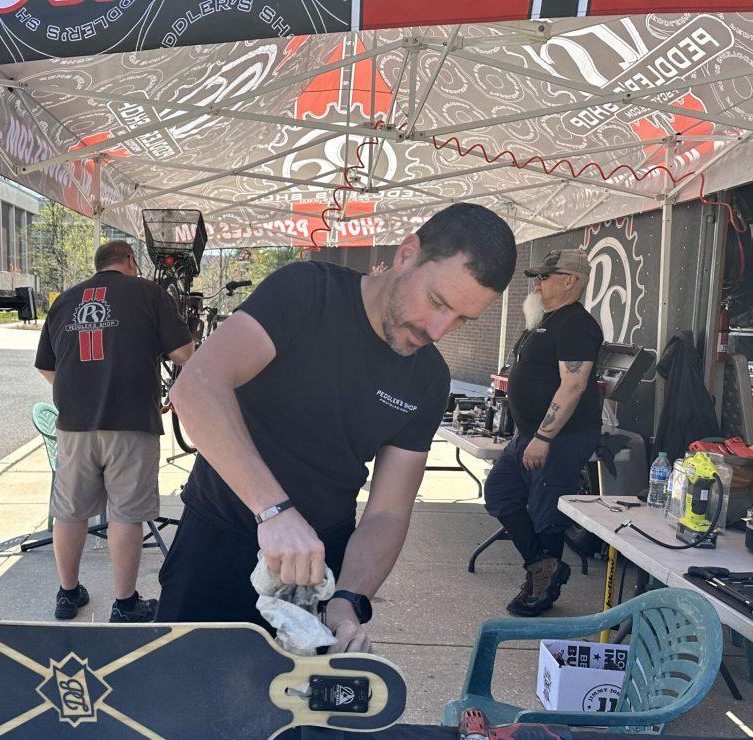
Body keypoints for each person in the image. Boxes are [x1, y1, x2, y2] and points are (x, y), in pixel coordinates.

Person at [160, 203, 516, 653]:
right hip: (218, 539)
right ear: (408, 254)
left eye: (463, 318)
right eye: (438, 302)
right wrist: (274, 512)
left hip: (320, 568)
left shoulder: (428, 379)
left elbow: (388, 511)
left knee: (298, 717)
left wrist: (349, 598)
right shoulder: (308, 292)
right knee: (182, 702)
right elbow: (197, 387)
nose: (440, 330)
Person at [35, 240, 195, 622]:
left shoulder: (66, 299)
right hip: (131, 421)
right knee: (126, 514)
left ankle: (68, 594)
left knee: (70, 512)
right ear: (128, 261)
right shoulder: (147, 292)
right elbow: (185, 353)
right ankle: (124, 604)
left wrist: (83, 391)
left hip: (74, 425)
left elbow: (45, 366)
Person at [484, 248, 603, 617]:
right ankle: (543, 567)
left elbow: (573, 385)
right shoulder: (545, 320)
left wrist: (544, 437)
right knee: (500, 492)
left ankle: (542, 588)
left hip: (560, 437)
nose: (538, 282)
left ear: (570, 281)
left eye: (546, 276)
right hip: (529, 434)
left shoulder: (576, 324)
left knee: (545, 510)